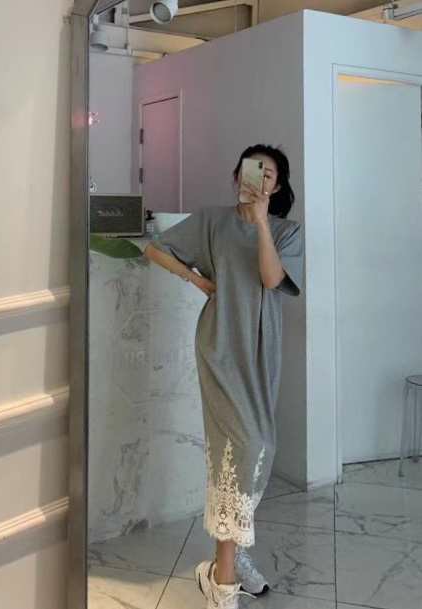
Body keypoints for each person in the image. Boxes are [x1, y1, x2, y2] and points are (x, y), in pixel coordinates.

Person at [143, 144, 304, 609]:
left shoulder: (287, 231)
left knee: (259, 451)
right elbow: (156, 249)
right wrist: (198, 280)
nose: (260, 178)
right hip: (219, 346)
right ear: (237, 176)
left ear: (278, 184)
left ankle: (230, 559)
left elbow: (271, 280)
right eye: (253, 170)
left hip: (261, 349)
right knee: (240, 450)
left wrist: (261, 223)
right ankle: (223, 579)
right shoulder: (212, 221)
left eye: (269, 174)